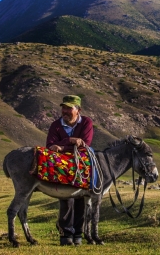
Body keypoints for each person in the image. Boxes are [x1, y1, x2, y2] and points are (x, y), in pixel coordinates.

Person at [46, 95, 93, 246]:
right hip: (63, 167)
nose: (65, 111)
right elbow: (50, 146)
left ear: (78, 110)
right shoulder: (56, 125)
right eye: (63, 108)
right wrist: (71, 141)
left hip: (81, 165)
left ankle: (78, 234)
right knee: (66, 198)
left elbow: (85, 145)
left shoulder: (86, 122)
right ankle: (66, 234)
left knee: (80, 199)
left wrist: (62, 146)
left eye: (69, 108)